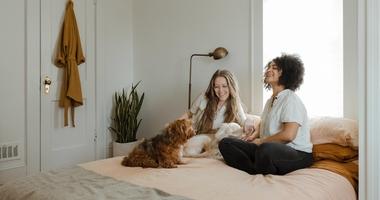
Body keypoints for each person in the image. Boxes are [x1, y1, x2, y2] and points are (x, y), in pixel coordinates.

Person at [218, 54, 313, 175]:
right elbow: (263, 123)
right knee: (226, 143)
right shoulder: (270, 101)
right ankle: (255, 168)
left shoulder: (290, 99)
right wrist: (254, 136)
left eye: (274, 68)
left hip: (298, 154)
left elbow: (288, 135)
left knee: (265, 150)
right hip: (268, 148)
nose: (268, 70)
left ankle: (257, 165)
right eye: (268, 67)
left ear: (286, 73)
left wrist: (261, 141)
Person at [180, 69, 253, 135]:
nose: (220, 91)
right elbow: (189, 114)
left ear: (231, 86)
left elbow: (244, 121)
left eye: (224, 86)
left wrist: (249, 122)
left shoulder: (235, 104)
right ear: (213, 88)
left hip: (215, 142)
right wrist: (173, 125)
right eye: (216, 87)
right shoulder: (203, 97)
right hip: (196, 135)